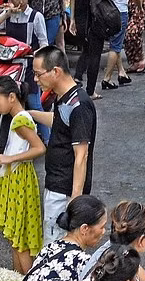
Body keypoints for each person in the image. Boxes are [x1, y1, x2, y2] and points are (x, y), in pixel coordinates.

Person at [0, 76, 46, 273]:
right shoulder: (19, 118)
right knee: (17, 239)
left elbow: (39, 148)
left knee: (19, 240)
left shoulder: (20, 120)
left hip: (19, 180)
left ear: (12, 97)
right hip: (17, 178)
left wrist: (8, 159)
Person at [29, 46, 97, 243]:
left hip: (64, 193)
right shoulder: (63, 98)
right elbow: (59, 122)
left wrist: (74, 200)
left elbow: (81, 155)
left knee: (56, 247)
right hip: (56, 185)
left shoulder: (79, 105)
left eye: (38, 74)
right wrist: (28, 114)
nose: (35, 79)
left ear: (56, 71)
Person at [0, 0, 48, 112]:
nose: (21, 1)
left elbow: (44, 44)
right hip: (10, 66)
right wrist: (5, 15)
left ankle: (46, 132)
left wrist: (36, 55)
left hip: (29, 67)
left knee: (34, 105)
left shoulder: (36, 17)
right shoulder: (8, 16)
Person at [69, 0, 112, 99]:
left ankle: (78, 75)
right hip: (96, 19)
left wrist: (72, 19)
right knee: (95, 54)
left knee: (86, 49)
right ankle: (90, 90)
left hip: (80, 18)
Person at [99, 0, 138, 91]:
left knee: (116, 41)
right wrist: (140, 6)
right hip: (120, 11)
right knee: (115, 47)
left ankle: (122, 73)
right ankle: (107, 78)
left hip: (105, 10)